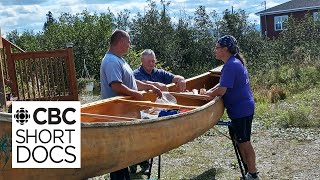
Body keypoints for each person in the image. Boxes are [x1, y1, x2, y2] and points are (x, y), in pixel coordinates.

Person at [100, 29, 162, 180]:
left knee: (124, 152)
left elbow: (132, 82)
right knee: (118, 152)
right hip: (117, 113)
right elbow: (116, 85)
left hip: (126, 113)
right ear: (121, 42)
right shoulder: (111, 61)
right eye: (128, 42)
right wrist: (137, 95)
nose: (129, 45)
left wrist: (149, 86)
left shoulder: (119, 59)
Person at [202, 35, 259, 180]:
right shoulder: (233, 63)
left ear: (225, 49)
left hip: (241, 110)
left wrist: (208, 95)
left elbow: (221, 90)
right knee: (242, 141)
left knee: (245, 142)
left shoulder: (231, 65)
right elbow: (222, 83)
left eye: (217, 48)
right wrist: (209, 93)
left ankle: (253, 174)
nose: (215, 50)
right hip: (243, 107)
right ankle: (249, 172)